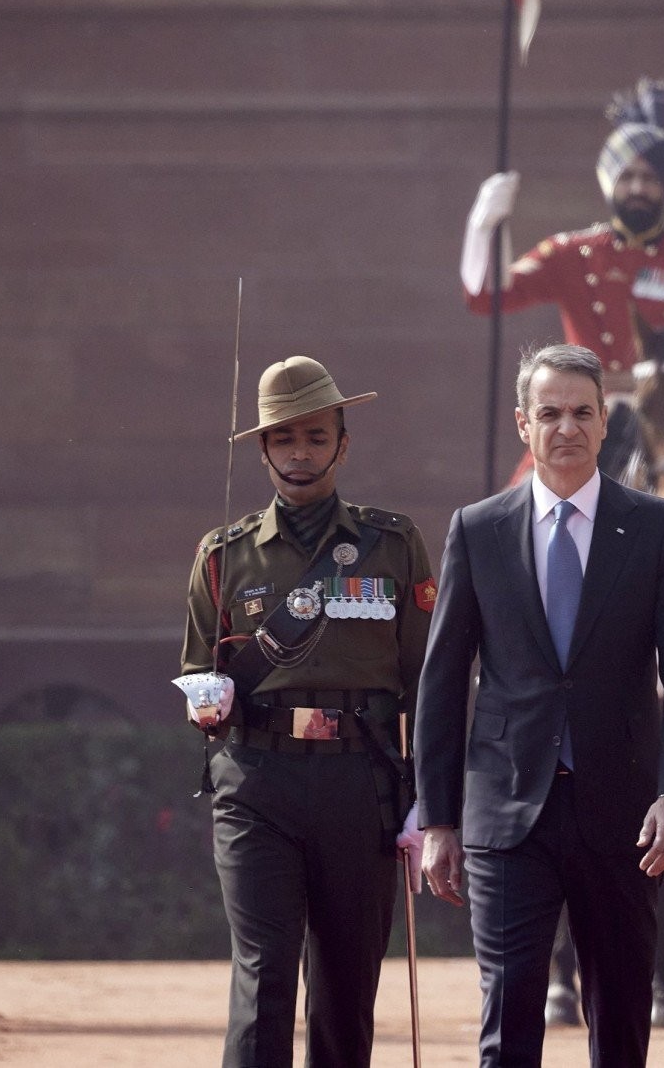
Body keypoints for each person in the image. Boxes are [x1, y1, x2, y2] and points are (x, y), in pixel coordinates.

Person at [415, 342, 664, 1068]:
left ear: (607, 420)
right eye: (549, 414)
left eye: (582, 412)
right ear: (524, 424)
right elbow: (443, 680)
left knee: (621, 1025)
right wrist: (439, 820)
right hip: (507, 813)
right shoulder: (477, 530)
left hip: (624, 816)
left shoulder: (661, 529)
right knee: (508, 1020)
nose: (567, 428)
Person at [460, 77, 664, 739]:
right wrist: (484, 223)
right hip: (586, 413)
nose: (639, 187)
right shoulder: (574, 253)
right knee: (513, 509)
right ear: (609, 181)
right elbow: (487, 293)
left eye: (651, 177)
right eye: (628, 175)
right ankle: (501, 651)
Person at [181, 355, 434, 1068]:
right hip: (256, 784)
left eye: (317, 437)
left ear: (342, 446)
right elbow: (196, 669)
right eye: (285, 438)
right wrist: (206, 699)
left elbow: (426, 678)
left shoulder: (392, 545)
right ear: (263, 449)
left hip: (361, 783)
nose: (301, 453)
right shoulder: (223, 554)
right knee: (262, 978)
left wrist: (430, 795)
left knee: (346, 988)